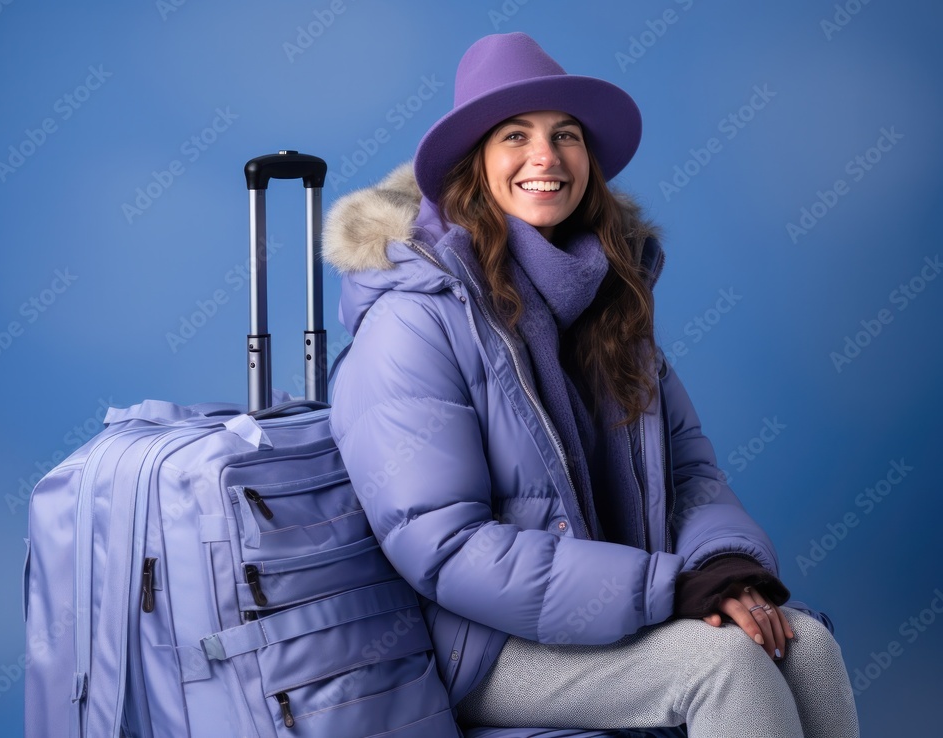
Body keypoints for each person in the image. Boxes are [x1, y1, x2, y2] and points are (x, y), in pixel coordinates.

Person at [324, 32, 859, 737]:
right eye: (514, 135)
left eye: (565, 135)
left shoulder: (609, 301)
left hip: (626, 606)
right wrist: (671, 591)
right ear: (472, 164)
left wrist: (725, 569)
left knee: (806, 646)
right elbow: (445, 547)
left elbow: (690, 471)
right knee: (724, 665)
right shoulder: (413, 320)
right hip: (482, 644)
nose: (545, 157)